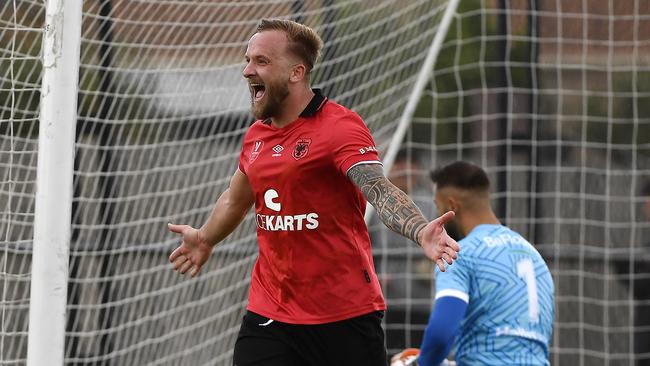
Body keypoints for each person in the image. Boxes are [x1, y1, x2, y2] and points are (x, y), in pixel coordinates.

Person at [167, 19, 460, 366]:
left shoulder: (339, 127)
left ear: (296, 72)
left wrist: (419, 229)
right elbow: (235, 198)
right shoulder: (256, 137)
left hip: (344, 315)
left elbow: (377, 188)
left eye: (261, 61)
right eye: (247, 60)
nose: (247, 70)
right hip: (270, 313)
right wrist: (205, 238)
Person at [394, 161, 554, 366]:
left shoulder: (459, 254)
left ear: (452, 206)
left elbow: (441, 334)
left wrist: (420, 363)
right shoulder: (533, 255)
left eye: (438, 207)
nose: (436, 216)